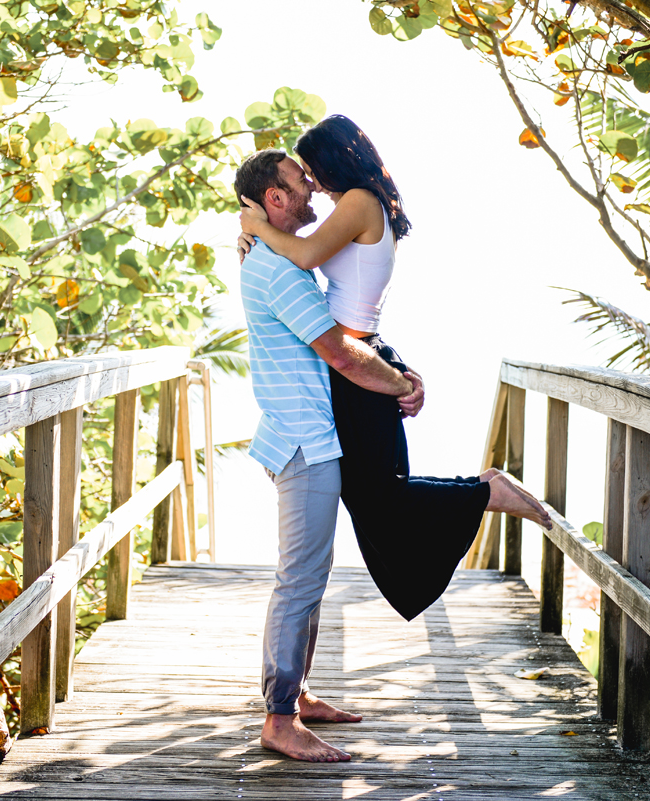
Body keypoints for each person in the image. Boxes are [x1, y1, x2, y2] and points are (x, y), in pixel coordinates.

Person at [234, 146, 551, 764]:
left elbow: (354, 337)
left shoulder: (280, 260)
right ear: (274, 200)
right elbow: (344, 354)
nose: (313, 193)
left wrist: (402, 371)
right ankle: (278, 719)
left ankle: (294, 697)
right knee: (299, 580)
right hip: (306, 442)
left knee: (309, 579)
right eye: (300, 185)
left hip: (311, 436)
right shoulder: (279, 269)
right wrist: (405, 385)